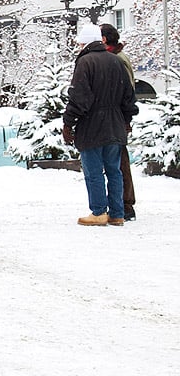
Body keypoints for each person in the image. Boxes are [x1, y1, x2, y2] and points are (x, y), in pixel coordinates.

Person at [62, 24, 138, 227]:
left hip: (92, 125)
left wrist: (68, 123)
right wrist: (126, 120)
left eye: (80, 42)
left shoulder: (85, 62)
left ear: (85, 42)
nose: (78, 45)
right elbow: (128, 96)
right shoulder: (116, 61)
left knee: (93, 171)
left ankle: (98, 212)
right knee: (114, 170)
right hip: (115, 124)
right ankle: (117, 213)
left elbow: (79, 97)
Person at [100, 23, 137, 221]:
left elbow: (126, 91)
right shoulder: (116, 57)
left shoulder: (117, 59)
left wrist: (125, 118)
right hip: (118, 117)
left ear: (104, 39)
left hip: (118, 118)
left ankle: (125, 203)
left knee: (120, 161)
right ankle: (122, 203)